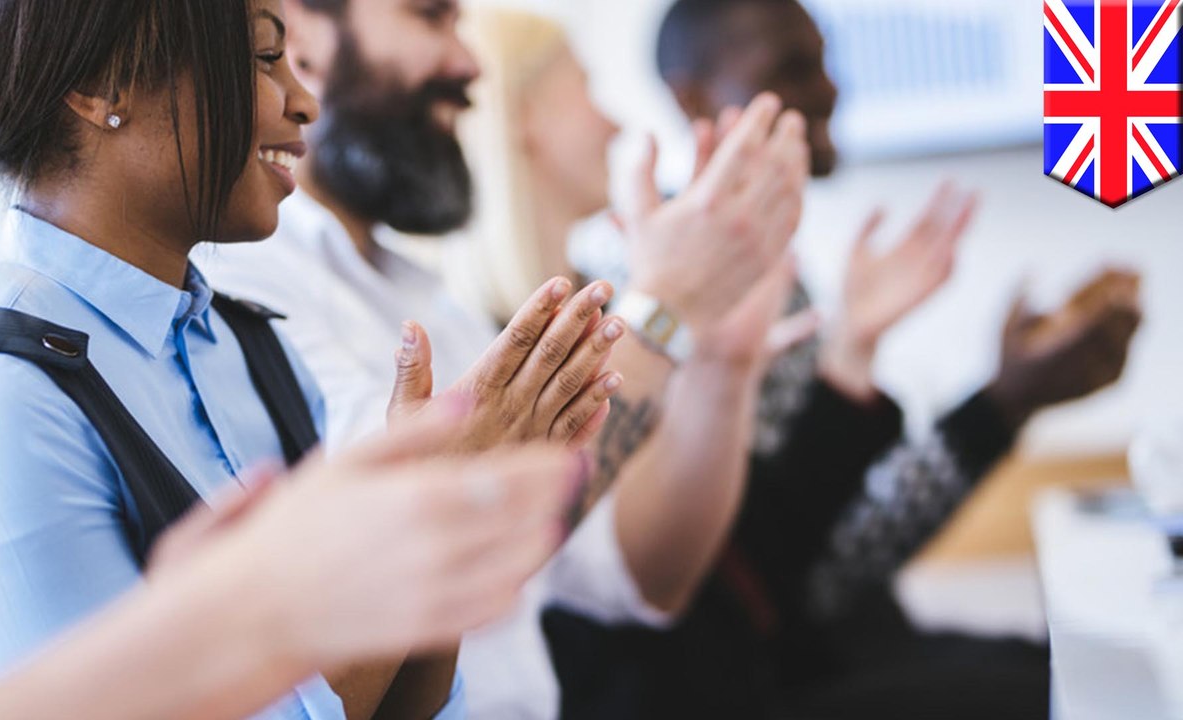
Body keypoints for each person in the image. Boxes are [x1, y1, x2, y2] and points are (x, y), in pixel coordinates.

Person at [0, 0, 605, 718]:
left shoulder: (254, 350)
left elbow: (400, 702)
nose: (303, 103)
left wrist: (442, 534)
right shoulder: (0, 397)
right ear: (103, 86)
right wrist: (423, 504)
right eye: (266, 58)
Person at [198, 1, 813, 718]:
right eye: (431, 17)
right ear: (299, 31)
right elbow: (446, 531)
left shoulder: (423, 296)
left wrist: (720, 360)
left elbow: (644, 576)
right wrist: (667, 305)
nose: (469, 62)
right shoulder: (241, 279)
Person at [544, 1, 1145, 718]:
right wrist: (990, 405)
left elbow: (817, 540)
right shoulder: (659, 287)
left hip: (837, 647)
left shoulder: (760, 266)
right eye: (792, 69)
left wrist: (978, 394)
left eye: (825, 58)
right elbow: (803, 571)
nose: (830, 88)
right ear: (693, 98)